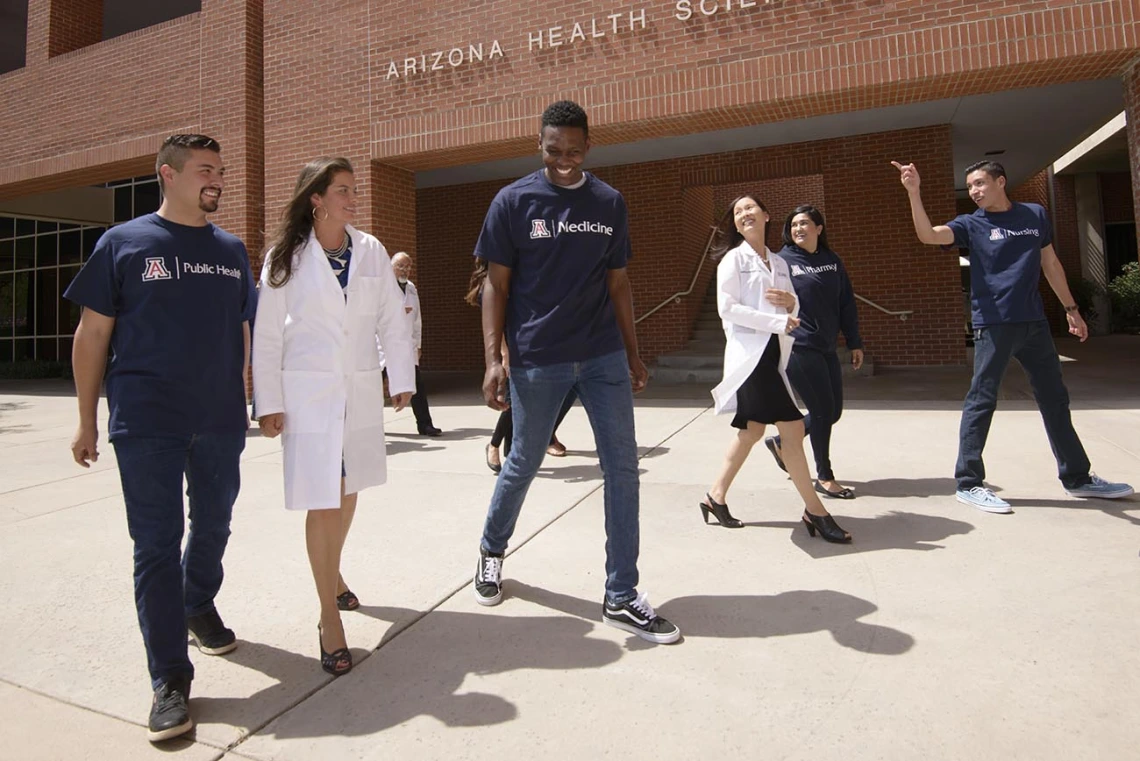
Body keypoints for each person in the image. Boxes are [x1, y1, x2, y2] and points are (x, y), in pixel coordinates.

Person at [65, 134, 255, 743]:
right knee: (154, 545)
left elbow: (245, 331)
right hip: (147, 420)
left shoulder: (232, 250)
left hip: (221, 416)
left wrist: (255, 395)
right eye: (206, 170)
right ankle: (169, 677)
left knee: (217, 523)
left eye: (221, 171)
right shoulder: (123, 243)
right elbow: (92, 335)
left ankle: (197, 599)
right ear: (167, 175)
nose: (217, 180)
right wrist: (87, 418)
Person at [471, 100, 680, 643]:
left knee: (623, 469)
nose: (563, 160)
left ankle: (621, 593)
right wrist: (495, 358)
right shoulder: (513, 201)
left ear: (589, 146)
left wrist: (633, 352)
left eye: (573, 150)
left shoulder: (609, 202)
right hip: (539, 358)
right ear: (539, 145)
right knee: (523, 461)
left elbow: (619, 283)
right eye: (552, 150)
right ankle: (492, 551)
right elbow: (495, 283)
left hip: (603, 355)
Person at [893, 159, 1133, 512]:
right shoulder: (971, 224)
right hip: (994, 324)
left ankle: (1077, 478)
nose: (973, 191)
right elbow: (928, 236)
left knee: (1055, 399)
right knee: (982, 399)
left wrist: (1071, 310)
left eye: (979, 184)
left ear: (1000, 182)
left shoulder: (1034, 215)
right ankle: (969, 482)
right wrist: (914, 192)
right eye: (970, 186)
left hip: (1034, 323)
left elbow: (1050, 263)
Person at [252, 157, 416, 675]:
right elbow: (268, 333)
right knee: (322, 501)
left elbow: (392, 318)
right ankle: (329, 616)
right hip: (308, 398)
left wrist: (402, 378)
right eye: (342, 190)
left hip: (359, 392)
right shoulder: (286, 256)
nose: (353, 198)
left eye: (352, 189)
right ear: (316, 199)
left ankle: (333, 575)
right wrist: (269, 400)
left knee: (347, 493)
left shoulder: (369, 251)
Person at [702, 194, 852, 542]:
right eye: (738, 212)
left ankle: (715, 497)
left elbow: (790, 305)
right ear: (736, 224)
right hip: (751, 358)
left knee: (753, 432)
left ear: (767, 215)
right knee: (793, 428)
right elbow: (728, 309)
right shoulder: (732, 261)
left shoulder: (779, 263)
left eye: (750, 208)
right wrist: (775, 320)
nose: (744, 214)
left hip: (773, 354)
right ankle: (815, 510)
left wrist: (791, 303)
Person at [764, 205, 863, 500]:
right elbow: (767, 300)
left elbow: (846, 302)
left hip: (827, 346)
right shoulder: (782, 261)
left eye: (805, 223)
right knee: (821, 412)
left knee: (833, 412)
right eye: (794, 225)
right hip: (798, 345)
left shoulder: (832, 261)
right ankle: (825, 476)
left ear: (819, 229)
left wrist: (855, 341)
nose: (798, 229)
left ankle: (781, 442)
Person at [465, 258, 576, 474]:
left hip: (525, 348)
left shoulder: (511, 280)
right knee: (513, 403)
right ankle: (494, 445)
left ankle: (511, 451)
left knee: (525, 402)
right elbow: (497, 325)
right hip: (509, 350)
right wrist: (504, 354)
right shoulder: (489, 286)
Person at [386, 251, 442, 436]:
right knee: (371, 385)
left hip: (406, 345)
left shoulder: (411, 288)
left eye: (408, 266)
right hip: (383, 346)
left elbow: (417, 320)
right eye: (401, 266)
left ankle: (425, 424)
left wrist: (418, 345)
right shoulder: (382, 287)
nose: (405, 270)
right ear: (391, 266)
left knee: (416, 384)